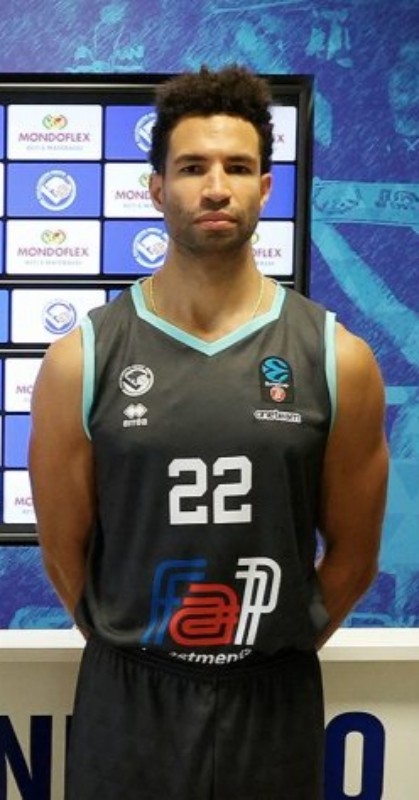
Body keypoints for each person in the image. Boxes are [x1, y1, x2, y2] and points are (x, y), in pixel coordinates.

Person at [29, 65, 389, 800]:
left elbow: (354, 558)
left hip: (273, 697)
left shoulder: (336, 358)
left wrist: (269, 650)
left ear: (266, 187)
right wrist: (135, 650)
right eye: (192, 167)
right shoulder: (82, 358)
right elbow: (64, 550)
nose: (216, 187)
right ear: (156, 188)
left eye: (238, 167)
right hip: (129, 695)